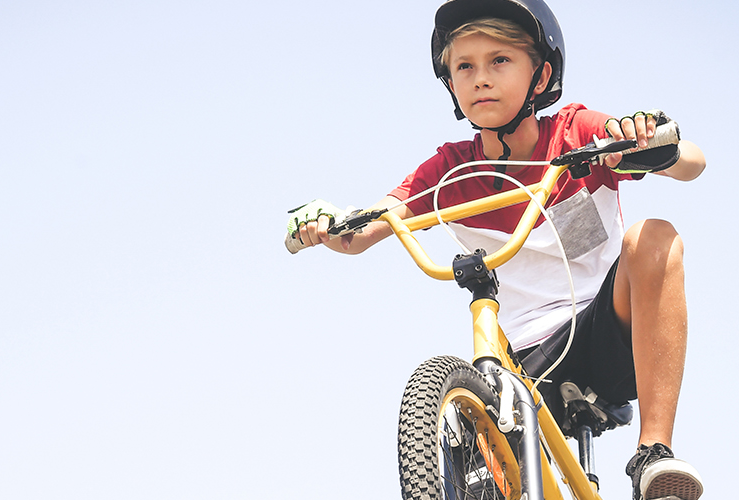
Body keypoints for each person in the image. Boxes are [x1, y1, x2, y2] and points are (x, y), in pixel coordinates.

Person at [286, 1, 707, 499]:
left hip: (602, 333)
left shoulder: (575, 134)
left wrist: (649, 146)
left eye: (499, 61)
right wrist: (327, 223)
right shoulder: (448, 172)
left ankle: (652, 455)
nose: (480, 78)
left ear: (541, 73)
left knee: (654, 236)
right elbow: (366, 229)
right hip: (516, 363)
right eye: (464, 66)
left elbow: (694, 163)